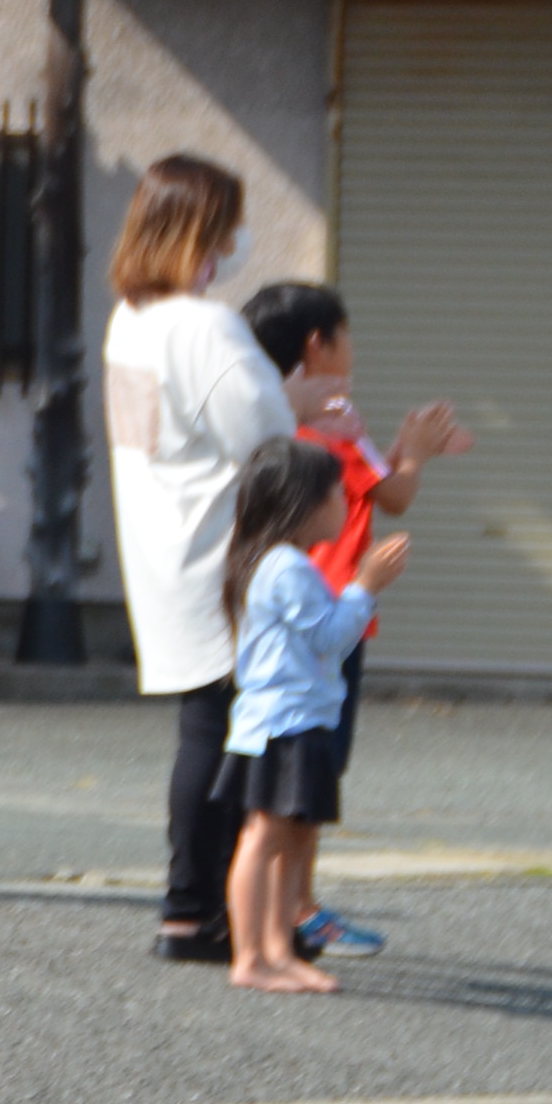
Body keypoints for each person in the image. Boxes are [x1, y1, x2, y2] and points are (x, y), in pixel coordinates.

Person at [239, 281, 473, 960]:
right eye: (347, 342)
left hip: (286, 613)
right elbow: (394, 493)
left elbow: (386, 488)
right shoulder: (333, 422)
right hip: (335, 610)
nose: (351, 356)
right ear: (318, 345)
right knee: (306, 777)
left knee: (287, 781)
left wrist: (405, 447)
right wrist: (413, 451)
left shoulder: (270, 418)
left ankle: (279, 917)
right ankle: (296, 914)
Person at [101, 154, 289, 966]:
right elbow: (267, 439)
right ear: (201, 231)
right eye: (228, 224)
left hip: (160, 542)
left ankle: (191, 908)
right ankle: (202, 909)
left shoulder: (130, 319)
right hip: (223, 550)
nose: (238, 239)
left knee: (201, 727)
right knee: (227, 733)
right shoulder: (204, 326)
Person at [215, 435, 410, 994]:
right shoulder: (286, 568)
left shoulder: (280, 562)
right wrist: (365, 586)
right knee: (266, 837)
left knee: (293, 839)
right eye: (336, 493)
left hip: (297, 720)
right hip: (284, 723)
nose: (346, 503)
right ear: (301, 503)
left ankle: (279, 949)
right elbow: (330, 639)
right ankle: (250, 957)